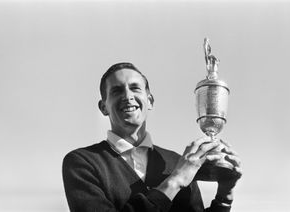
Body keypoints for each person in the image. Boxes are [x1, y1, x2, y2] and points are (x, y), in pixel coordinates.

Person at [62, 62, 242, 212]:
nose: (127, 96)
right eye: (117, 91)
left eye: (135, 88)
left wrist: (224, 196)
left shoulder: (178, 161)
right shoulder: (82, 162)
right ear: (103, 107)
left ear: (150, 101)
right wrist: (175, 181)